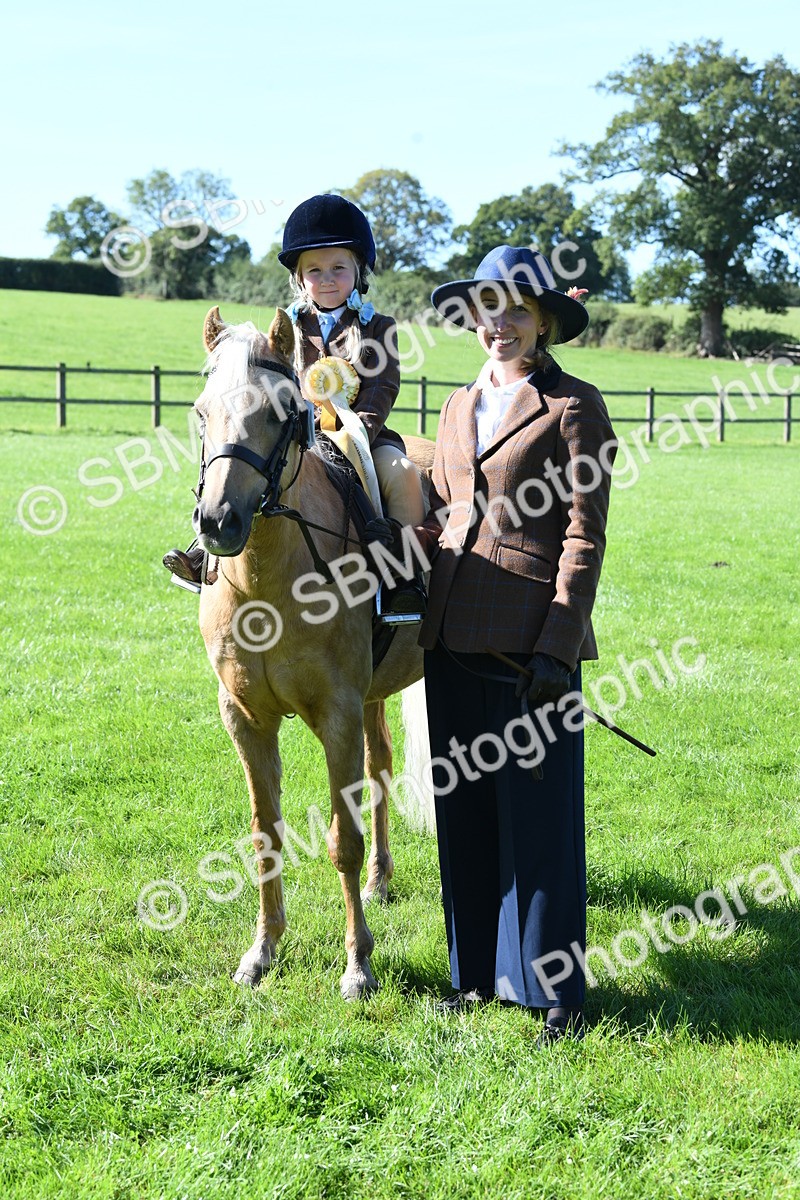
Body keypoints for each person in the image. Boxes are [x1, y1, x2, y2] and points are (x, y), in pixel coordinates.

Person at [413, 245, 616, 1044]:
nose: (499, 325)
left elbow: (584, 534)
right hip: (452, 632)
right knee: (464, 813)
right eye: (488, 310)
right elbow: (441, 513)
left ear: (542, 323)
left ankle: (557, 996)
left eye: (516, 313)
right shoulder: (457, 406)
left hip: (532, 645)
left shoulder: (575, 406)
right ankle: (476, 979)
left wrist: (558, 646)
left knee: (539, 820)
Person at [164, 194, 427, 619]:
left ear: (358, 272)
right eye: (314, 271)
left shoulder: (378, 327)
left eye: (338, 268)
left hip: (361, 436)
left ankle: (403, 578)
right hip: (297, 437)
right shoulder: (282, 330)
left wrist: (357, 430)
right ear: (299, 278)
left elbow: (383, 386)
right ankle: (203, 551)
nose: (327, 279)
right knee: (236, 469)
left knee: (403, 474)